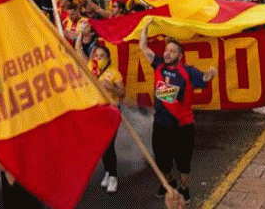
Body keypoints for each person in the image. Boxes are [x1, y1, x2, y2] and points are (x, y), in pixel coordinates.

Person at [139, 20, 217, 203]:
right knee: (161, 159)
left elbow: (205, 78)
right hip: (161, 123)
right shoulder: (158, 64)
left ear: (180, 55)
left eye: (172, 51)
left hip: (182, 125)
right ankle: (170, 183)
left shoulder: (188, 71)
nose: (167, 53)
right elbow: (143, 47)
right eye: (166, 50)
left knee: (183, 161)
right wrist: (145, 27)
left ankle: (184, 187)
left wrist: (210, 74)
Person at [76, 35, 125, 194]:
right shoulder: (91, 67)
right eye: (96, 55)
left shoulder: (114, 73)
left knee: (109, 145)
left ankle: (113, 176)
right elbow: (78, 51)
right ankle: (108, 172)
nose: (98, 58)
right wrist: (80, 35)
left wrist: (111, 88)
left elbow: (122, 93)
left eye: (101, 56)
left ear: (108, 58)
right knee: (103, 146)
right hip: (97, 112)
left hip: (111, 112)